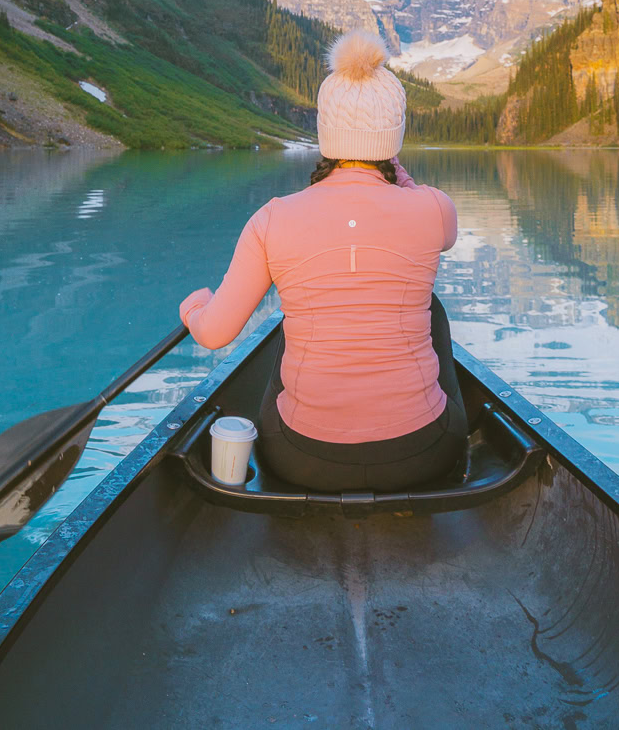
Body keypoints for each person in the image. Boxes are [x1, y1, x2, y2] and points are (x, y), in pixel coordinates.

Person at [178, 29, 468, 491]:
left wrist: (194, 309)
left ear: (324, 132)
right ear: (394, 135)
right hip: (424, 453)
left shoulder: (273, 219)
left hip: (302, 459)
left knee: (296, 315)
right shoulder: (435, 208)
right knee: (428, 307)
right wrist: (402, 182)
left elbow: (214, 334)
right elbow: (441, 231)